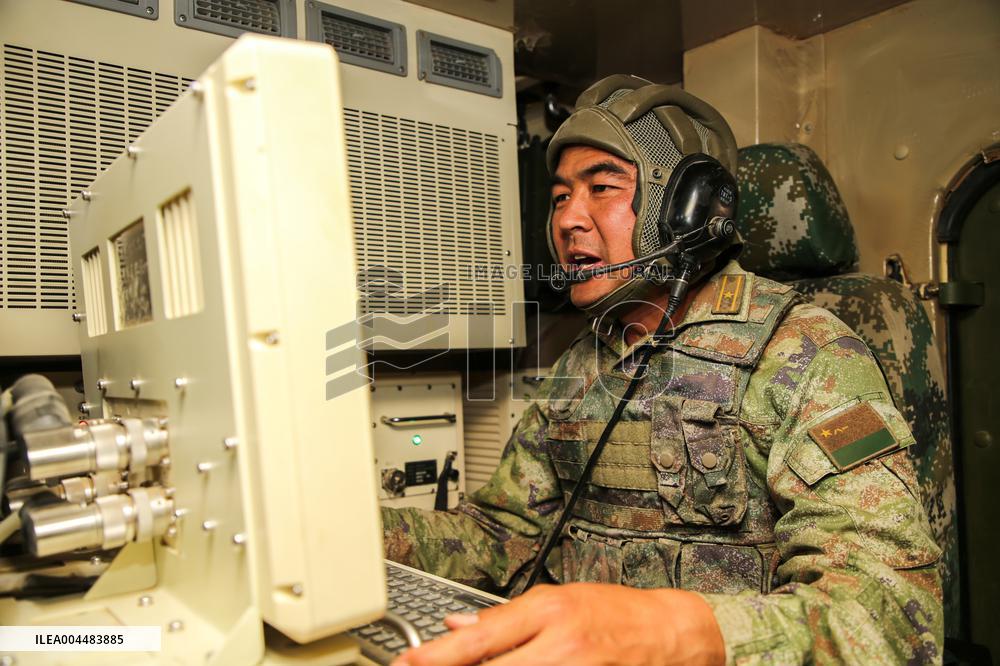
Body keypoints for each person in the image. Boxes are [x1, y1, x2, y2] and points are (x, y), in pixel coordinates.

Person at [381, 75, 942, 665]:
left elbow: (892, 614)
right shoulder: (582, 361)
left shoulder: (808, 353)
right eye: (559, 197)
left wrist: (681, 634)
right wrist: (347, 542)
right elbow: (503, 537)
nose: (570, 218)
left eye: (601, 188)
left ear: (686, 210)